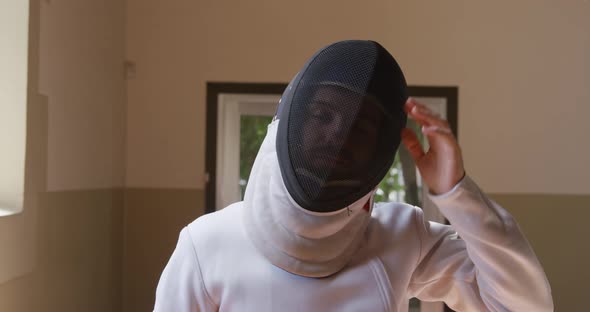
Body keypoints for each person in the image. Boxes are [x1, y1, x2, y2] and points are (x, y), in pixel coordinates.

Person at [153, 40, 553, 311]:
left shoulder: (402, 236)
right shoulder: (205, 246)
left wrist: (456, 193)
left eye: (359, 128)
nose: (337, 136)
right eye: (323, 114)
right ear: (288, 119)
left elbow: (522, 305)